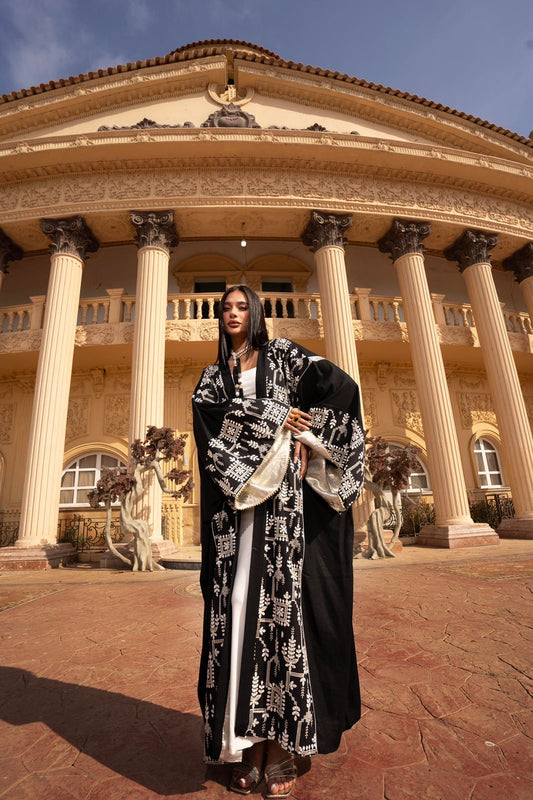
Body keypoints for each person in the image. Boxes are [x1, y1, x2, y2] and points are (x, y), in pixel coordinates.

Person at [192, 285, 365, 797]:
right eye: (225, 307)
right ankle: (243, 742)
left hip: (283, 510)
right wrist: (273, 417)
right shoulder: (212, 378)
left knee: (282, 612)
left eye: (241, 306)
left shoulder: (286, 355)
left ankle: (283, 744)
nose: (232, 313)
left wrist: (307, 438)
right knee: (236, 608)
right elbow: (210, 427)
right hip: (233, 512)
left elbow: (343, 389)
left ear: (257, 313)